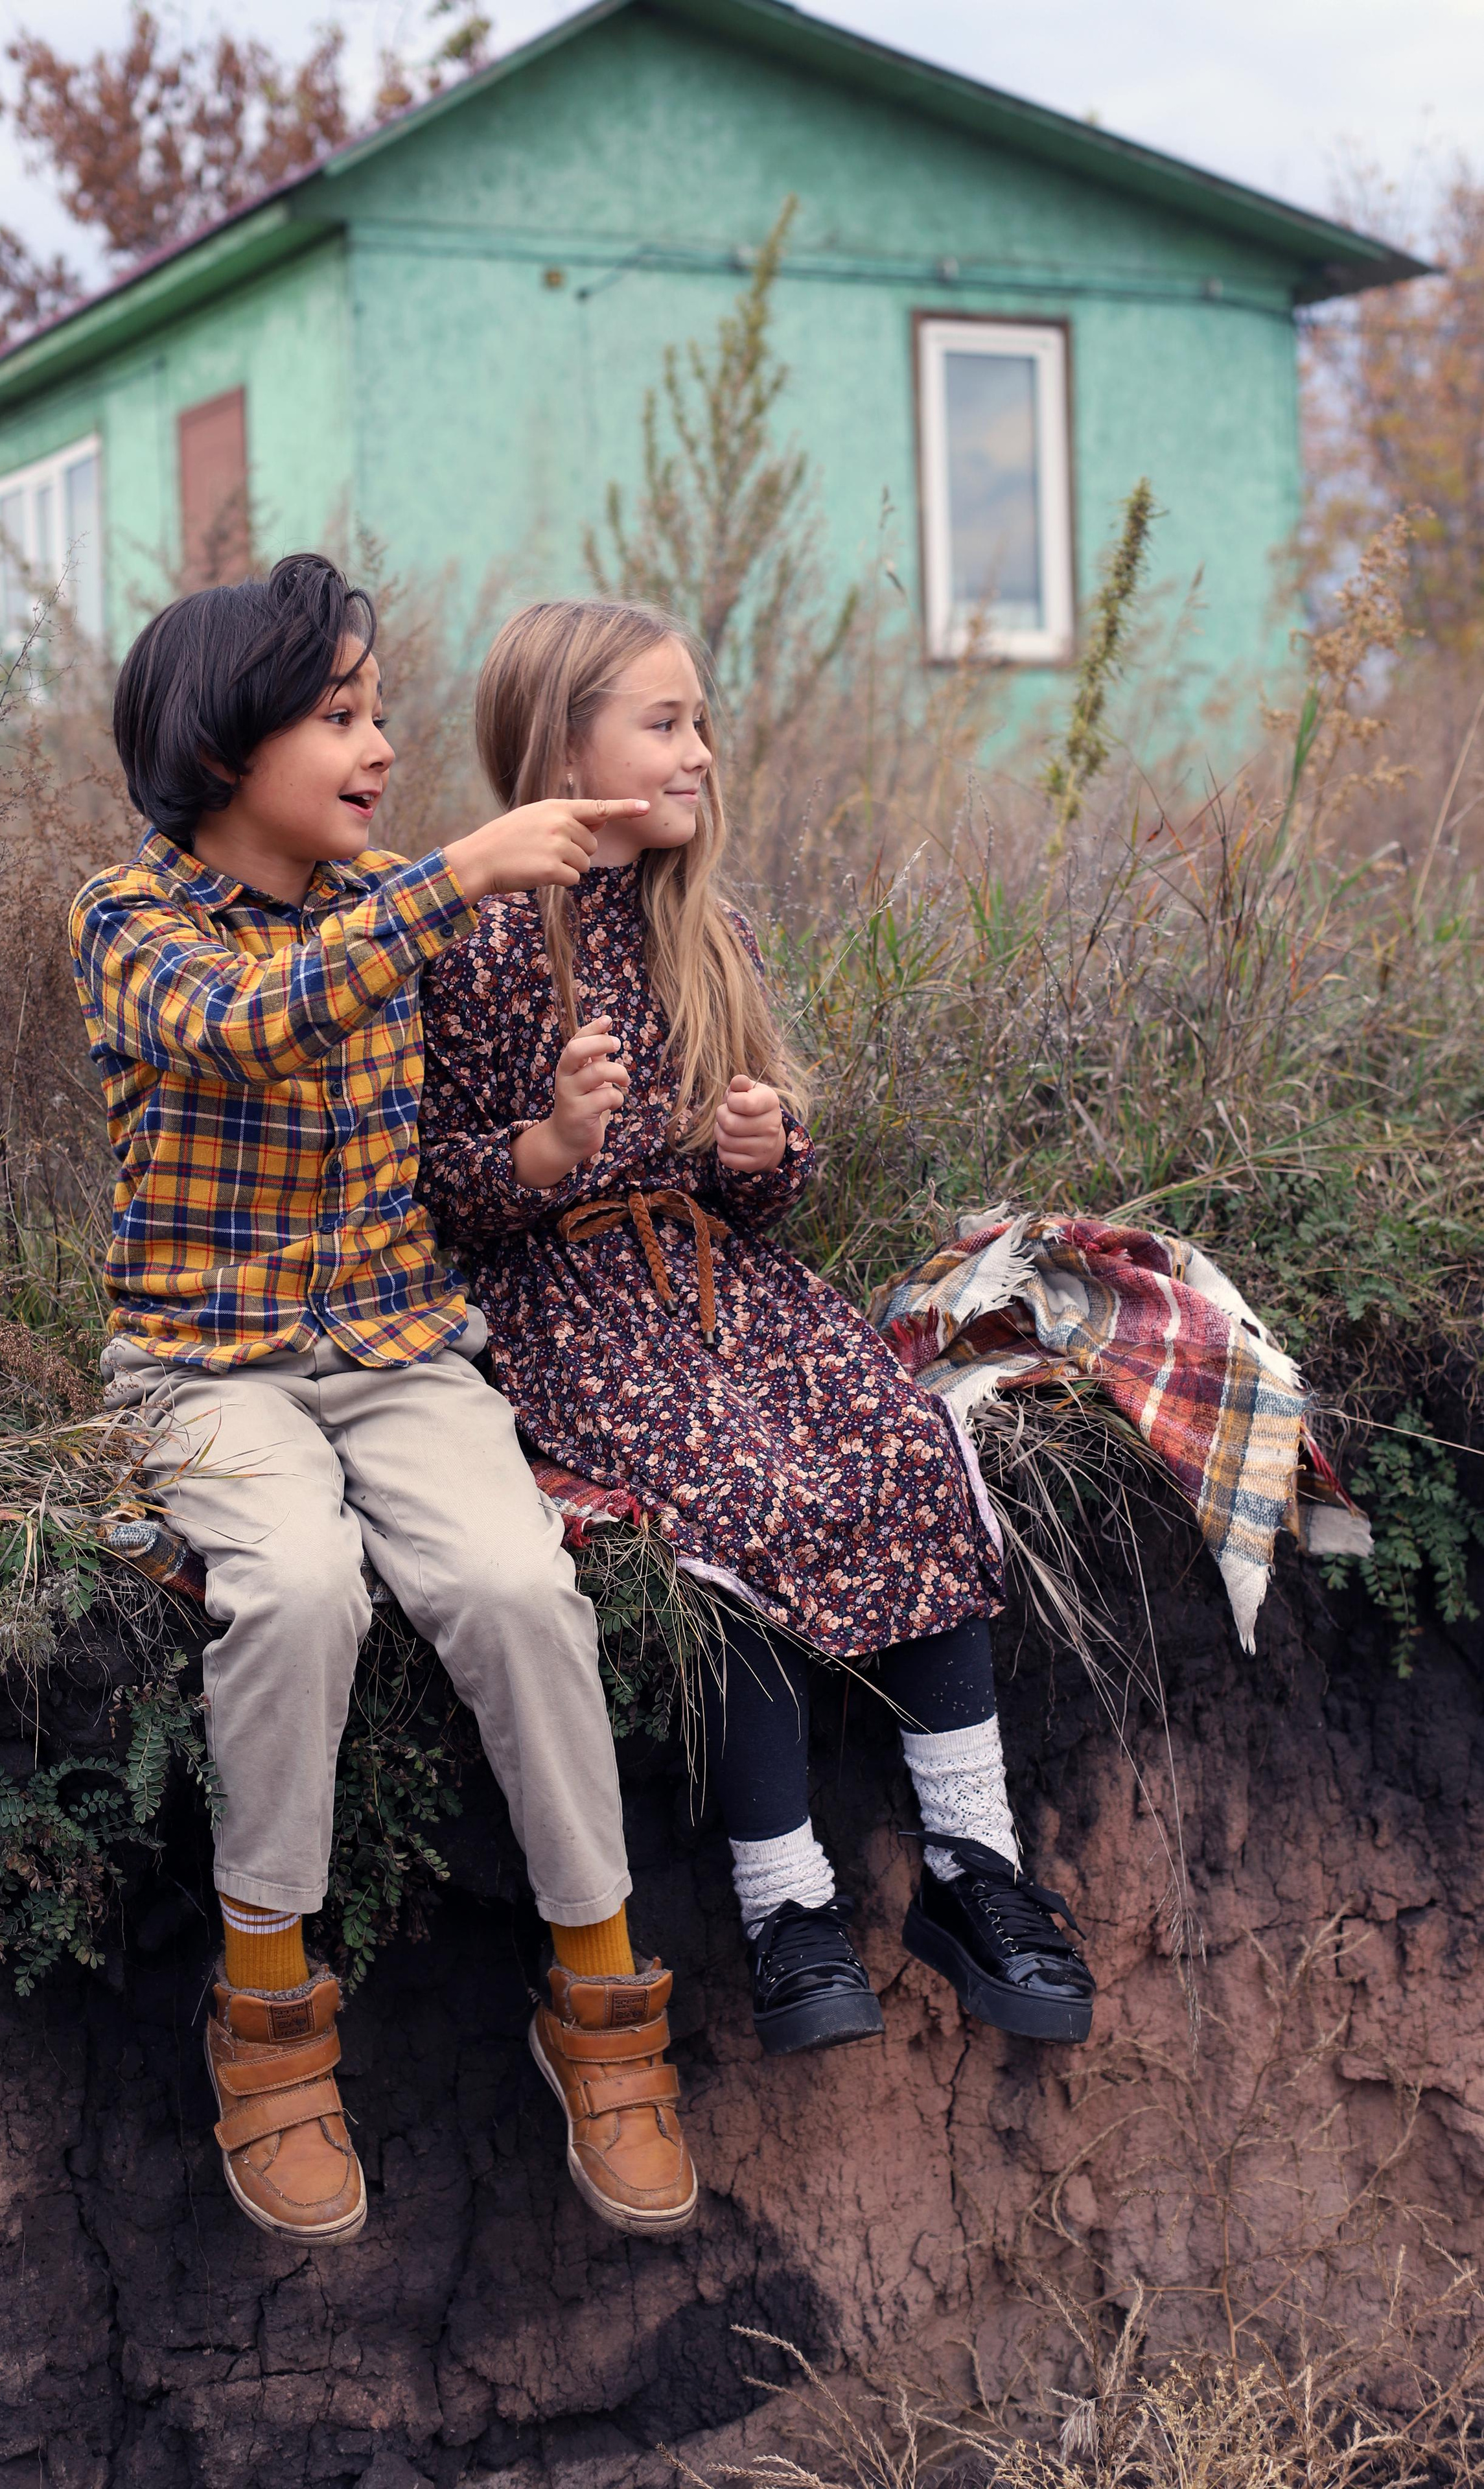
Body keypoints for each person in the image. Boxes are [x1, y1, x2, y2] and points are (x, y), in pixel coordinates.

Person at [69, 555, 698, 2248]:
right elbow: (247, 1032)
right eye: (340, 716)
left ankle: (602, 1994)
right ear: (222, 745)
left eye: (379, 712)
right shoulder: (131, 925)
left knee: (513, 1588)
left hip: (399, 1351)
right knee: (294, 1591)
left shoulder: (389, 914)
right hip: (209, 1361)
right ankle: (268, 2010)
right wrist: (451, 883)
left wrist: (559, 1143)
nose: (382, 745)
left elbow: (434, 1153)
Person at [418, 598, 1095, 2061]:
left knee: (898, 1447)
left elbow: (772, 1199)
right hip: (578, 1308)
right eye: (663, 725)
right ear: (560, 745)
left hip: (727, 1291)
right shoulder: (470, 948)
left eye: (701, 724)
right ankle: (785, 1906)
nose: (699, 754)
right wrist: (543, 1149)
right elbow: (432, 1190)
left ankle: (974, 1873)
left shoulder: (700, 925)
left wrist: (760, 1148)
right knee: (732, 1502)